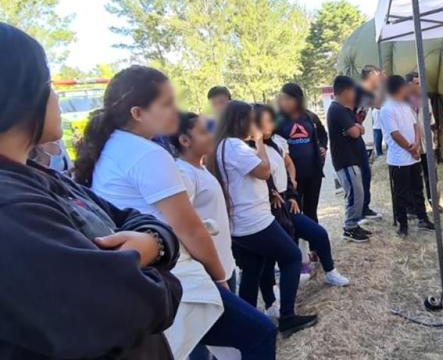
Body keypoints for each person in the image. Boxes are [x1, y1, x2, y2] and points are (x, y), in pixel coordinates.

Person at [0, 22, 181, 359]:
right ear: (20, 94)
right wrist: (160, 269)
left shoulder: (40, 177)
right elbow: (133, 307)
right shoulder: (10, 210)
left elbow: (135, 219)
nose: (54, 96)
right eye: (49, 84)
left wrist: (153, 243)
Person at [72, 66, 280, 359]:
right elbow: (189, 228)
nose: (174, 110)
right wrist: (219, 278)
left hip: (145, 277)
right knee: (260, 332)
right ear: (138, 113)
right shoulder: (148, 155)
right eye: (166, 103)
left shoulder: (112, 149)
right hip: (172, 274)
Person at [171, 112, 280, 359]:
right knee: (232, 341)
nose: (210, 134)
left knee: (229, 349)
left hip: (223, 266)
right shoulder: (183, 174)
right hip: (209, 272)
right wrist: (214, 273)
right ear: (185, 141)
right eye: (202, 131)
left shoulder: (199, 168)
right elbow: (184, 227)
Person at [207, 100, 318, 338]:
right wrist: (258, 140)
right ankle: (287, 317)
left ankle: (247, 323)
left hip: (242, 222)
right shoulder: (235, 147)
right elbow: (263, 171)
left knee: (253, 270)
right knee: (291, 257)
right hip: (254, 220)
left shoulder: (223, 146)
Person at [254, 103, 349, 286]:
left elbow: (287, 166)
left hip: (285, 203)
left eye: (271, 122)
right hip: (268, 209)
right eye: (265, 122)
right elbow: (262, 175)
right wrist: (272, 192)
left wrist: (291, 194)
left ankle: (330, 272)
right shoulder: (249, 150)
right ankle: (275, 293)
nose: (270, 126)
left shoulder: (277, 142)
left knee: (319, 233)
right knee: (281, 252)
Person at [381, 75, 435, 236]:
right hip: (398, 159)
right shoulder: (387, 109)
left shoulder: (405, 105)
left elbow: (415, 125)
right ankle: (402, 224)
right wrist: (410, 148)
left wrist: (417, 145)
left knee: (418, 189)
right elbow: (395, 134)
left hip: (413, 155)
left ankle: (423, 218)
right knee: (401, 193)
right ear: (399, 88)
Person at [327, 76, 372, 243]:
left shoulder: (345, 110)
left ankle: (354, 224)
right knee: (354, 192)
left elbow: (356, 128)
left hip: (352, 158)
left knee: (358, 192)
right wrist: (358, 129)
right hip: (345, 160)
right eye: (353, 91)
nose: (355, 94)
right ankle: (349, 227)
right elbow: (354, 132)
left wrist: (357, 128)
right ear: (345, 91)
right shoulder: (336, 109)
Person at [275, 83, 328, 223]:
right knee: (294, 214)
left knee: (311, 211)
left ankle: (314, 243)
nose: (284, 102)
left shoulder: (310, 117)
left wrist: (323, 147)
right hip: (292, 178)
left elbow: (323, 134)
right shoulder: (277, 120)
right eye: (282, 98)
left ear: (297, 99)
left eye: (288, 99)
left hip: (313, 173)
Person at [405, 71, 440, 211]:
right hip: (412, 145)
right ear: (409, 85)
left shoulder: (426, 100)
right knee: (414, 178)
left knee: (431, 175)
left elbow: (431, 121)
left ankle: (434, 202)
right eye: (417, 83)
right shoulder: (403, 102)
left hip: (427, 143)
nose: (420, 86)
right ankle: (414, 207)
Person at [354, 65, 383, 221]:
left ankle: (365, 208)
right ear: (370, 74)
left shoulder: (369, 93)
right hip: (348, 137)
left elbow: (379, 104)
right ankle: (356, 212)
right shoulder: (357, 91)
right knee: (355, 177)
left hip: (357, 137)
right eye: (377, 75)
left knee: (366, 172)